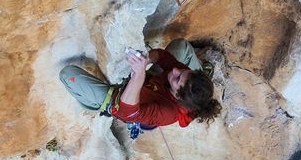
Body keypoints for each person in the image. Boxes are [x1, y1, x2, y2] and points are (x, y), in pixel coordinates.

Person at [59, 38, 222, 128]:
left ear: (178, 96)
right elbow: (164, 57)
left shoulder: (168, 112)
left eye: (178, 79)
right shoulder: (183, 76)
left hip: (122, 102)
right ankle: (200, 67)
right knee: (182, 46)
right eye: (183, 72)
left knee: (67, 74)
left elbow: (127, 112)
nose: (175, 71)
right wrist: (146, 59)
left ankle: (94, 104)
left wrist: (139, 74)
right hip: (152, 81)